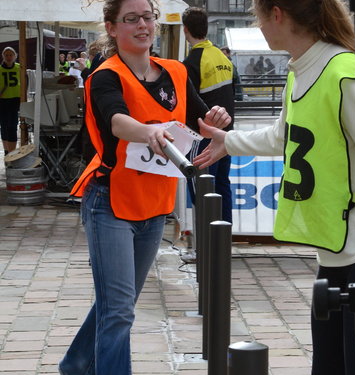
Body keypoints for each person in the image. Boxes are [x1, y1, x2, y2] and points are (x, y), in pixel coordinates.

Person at [193, 1, 355, 374]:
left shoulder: (344, 73)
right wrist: (229, 141)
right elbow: (287, 136)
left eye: (258, 15)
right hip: (337, 252)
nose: (259, 25)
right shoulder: (301, 69)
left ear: (278, 14)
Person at [59, 0, 231, 374]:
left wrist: (218, 120)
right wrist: (149, 129)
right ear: (112, 27)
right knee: (119, 309)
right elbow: (117, 121)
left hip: (155, 203)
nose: (142, 25)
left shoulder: (175, 72)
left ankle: (75, 363)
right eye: (131, 19)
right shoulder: (105, 76)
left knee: (117, 304)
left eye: (147, 17)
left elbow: (202, 120)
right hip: (110, 202)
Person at [182, 6, 235, 223]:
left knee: (201, 187)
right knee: (222, 184)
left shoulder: (192, 61)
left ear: (185, 30)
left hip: (203, 136)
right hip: (226, 134)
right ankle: (223, 242)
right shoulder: (222, 57)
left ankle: (205, 248)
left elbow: (188, 103)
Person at [0, 47, 21, 155]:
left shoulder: (19, 68)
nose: (8, 57)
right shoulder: (0, 69)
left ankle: (12, 153)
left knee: (12, 126)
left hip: (15, 100)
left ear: (15, 56)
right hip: (3, 101)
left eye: (10, 55)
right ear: (3, 56)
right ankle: (6, 151)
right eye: (6, 55)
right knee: (4, 126)